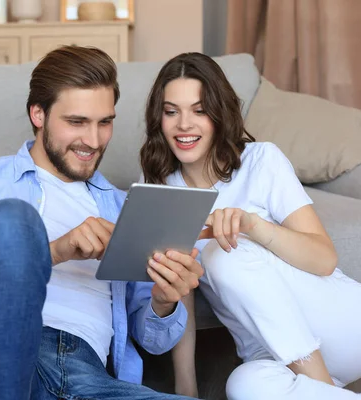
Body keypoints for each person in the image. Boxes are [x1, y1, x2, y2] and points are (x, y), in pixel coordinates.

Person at [0, 45, 204, 400]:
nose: (93, 140)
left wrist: (165, 300)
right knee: (10, 221)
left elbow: (153, 340)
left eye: (105, 122)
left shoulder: (122, 207)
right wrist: (53, 251)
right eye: (76, 122)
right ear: (38, 114)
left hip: (87, 378)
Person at [140, 51, 361, 400]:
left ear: (219, 113)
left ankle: (318, 385)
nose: (184, 124)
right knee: (243, 386)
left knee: (225, 250)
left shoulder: (262, 161)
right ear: (159, 118)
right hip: (267, 352)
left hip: (339, 324)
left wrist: (252, 226)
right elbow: (179, 288)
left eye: (199, 110)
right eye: (172, 112)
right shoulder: (160, 187)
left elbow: (324, 259)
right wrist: (187, 392)